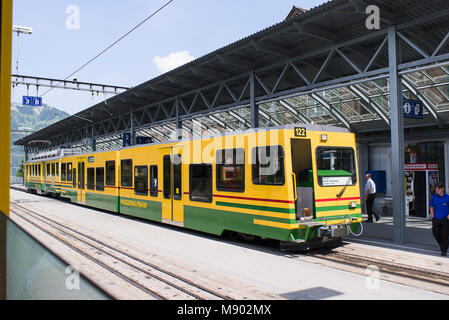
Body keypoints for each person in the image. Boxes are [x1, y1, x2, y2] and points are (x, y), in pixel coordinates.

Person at [429, 182, 449, 256]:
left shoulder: (447, 198)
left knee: (444, 235)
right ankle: (445, 244)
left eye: (439, 189)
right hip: (436, 219)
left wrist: (448, 217)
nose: (437, 190)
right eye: (436, 189)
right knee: (435, 234)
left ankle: (443, 250)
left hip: (445, 220)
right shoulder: (433, 197)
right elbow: (431, 207)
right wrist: (432, 216)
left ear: (443, 189)